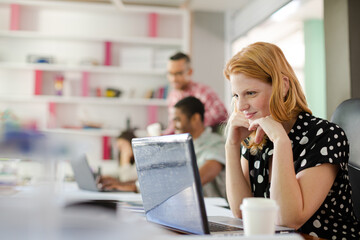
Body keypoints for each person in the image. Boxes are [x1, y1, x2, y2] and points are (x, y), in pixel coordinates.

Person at [223, 42, 360, 239]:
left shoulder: (325, 135)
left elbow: (289, 220)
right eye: (236, 95)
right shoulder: (255, 138)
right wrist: (231, 145)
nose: (242, 105)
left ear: (282, 87)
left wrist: (281, 141)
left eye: (250, 93)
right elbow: (241, 213)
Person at [173, 96, 226, 198]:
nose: (174, 126)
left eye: (177, 120)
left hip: (215, 208)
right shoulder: (183, 146)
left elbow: (197, 179)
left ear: (195, 118)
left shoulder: (217, 144)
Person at [164, 52, 228, 134]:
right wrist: (162, 136)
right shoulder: (172, 97)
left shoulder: (203, 91)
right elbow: (173, 125)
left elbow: (221, 113)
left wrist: (190, 123)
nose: (173, 79)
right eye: (170, 73)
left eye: (179, 73)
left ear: (190, 72)